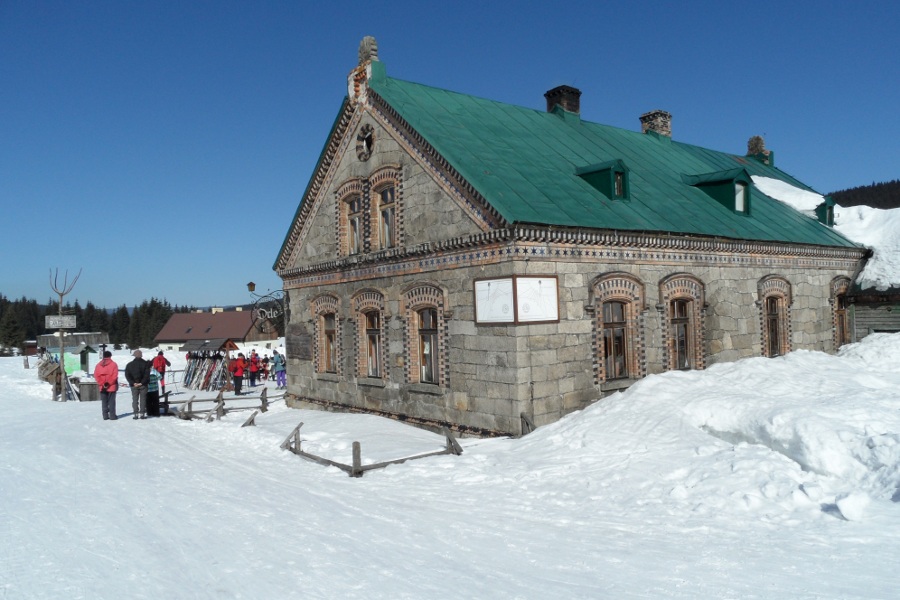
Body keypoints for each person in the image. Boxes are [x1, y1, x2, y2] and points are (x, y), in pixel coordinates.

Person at [93, 350, 119, 420]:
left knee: (104, 401)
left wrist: (102, 383)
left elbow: (96, 375)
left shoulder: (98, 365)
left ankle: (105, 415)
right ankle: (112, 416)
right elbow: (114, 376)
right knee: (111, 401)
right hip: (111, 386)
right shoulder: (114, 364)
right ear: (110, 356)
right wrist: (108, 383)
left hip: (102, 387)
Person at [125, 349, 151, 419]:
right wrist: (142, 382)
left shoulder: (129, 365)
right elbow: (147, 375)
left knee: (135, 399)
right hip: (143, 385)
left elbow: (127, 375)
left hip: (134, 385)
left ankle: (135, 414)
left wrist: (133, 382)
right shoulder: (146, 364)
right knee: (143, 399)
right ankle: (142, 414)